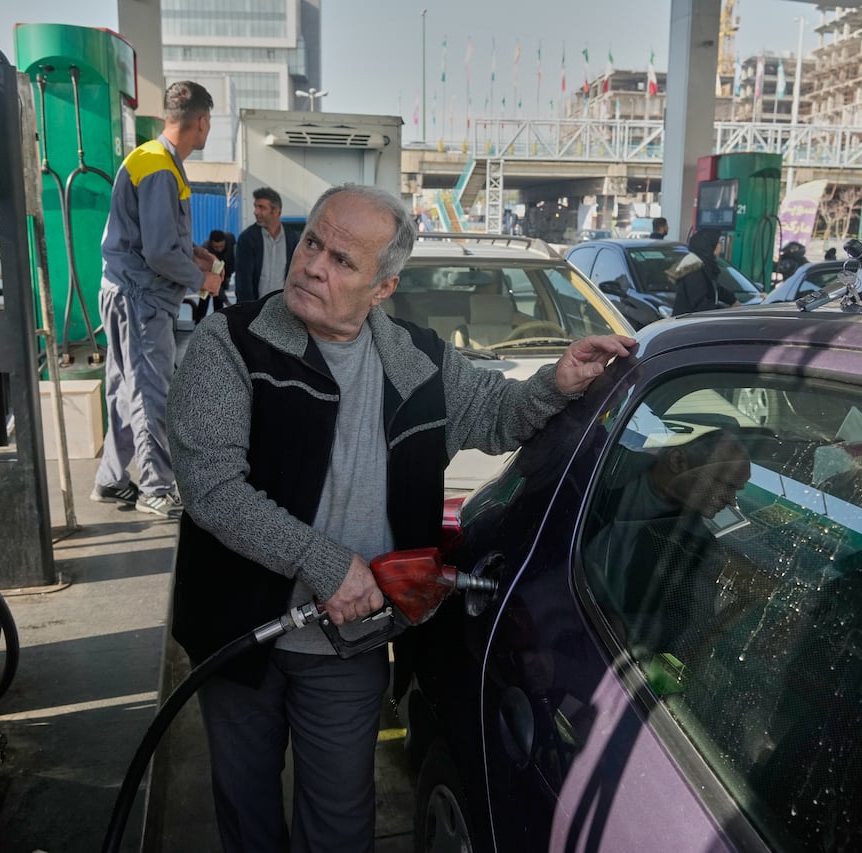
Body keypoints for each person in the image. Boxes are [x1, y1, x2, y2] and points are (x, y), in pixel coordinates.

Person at [166, 183, 636, 852]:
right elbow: (212, 487)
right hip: (242, 631)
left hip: (347, 642)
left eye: (342, 260)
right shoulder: (231, 343)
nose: (313, 266)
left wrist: (557, 383)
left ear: (382, 288)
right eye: (312, 244)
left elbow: (497, 415)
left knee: (339, 824)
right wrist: (327, 564)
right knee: (247, 812)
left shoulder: (417, 360)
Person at [89, 80, 222, 518]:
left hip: (126, 292)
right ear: (201, 122)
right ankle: (156, 488)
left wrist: (195, 252)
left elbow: (162, 238)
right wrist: (203, 280)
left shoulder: (153, 158)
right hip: (140, 298)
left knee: (124, 391)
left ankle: (111, 479)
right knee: (150, 393)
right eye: (208, 123)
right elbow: (160, 252)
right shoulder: (160, 167)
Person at [585, 426, 752, 658]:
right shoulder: (601, 468)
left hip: (596, 648)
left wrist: (626, 629)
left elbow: (687, 621)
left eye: (736, 490)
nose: (732, 501)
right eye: (726, 484)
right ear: (677, 460)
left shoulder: (701, 550)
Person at [234, 187, 302, 302]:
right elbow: (243, 281)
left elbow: (296, 275)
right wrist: (248, 311)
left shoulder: (292, 239)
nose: (256, 212)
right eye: (255, 207)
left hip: (283, 308)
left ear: (276, 211)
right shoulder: (247, 238)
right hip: (255, 309)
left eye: (261, 207)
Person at [668, 229, 732, 316]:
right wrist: (727, 312)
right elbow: (700, 305)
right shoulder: (693, 269)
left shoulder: (705, 265)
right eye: (718, 243)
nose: (720, 246)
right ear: (709, 245)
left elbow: (713, 288)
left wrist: (732, 300)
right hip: (688, 325)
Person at [190, 228, 237, 324]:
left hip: (226, 272)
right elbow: (216, 287)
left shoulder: (231, 240)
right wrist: (227, 301)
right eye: (216, 247)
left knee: (218, 303)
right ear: (211, 244)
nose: (219, 249)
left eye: (221, 246)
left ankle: (217, 323)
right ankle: (199, 322)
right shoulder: (205, 251)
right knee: (204, 299)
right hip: (209, 275)